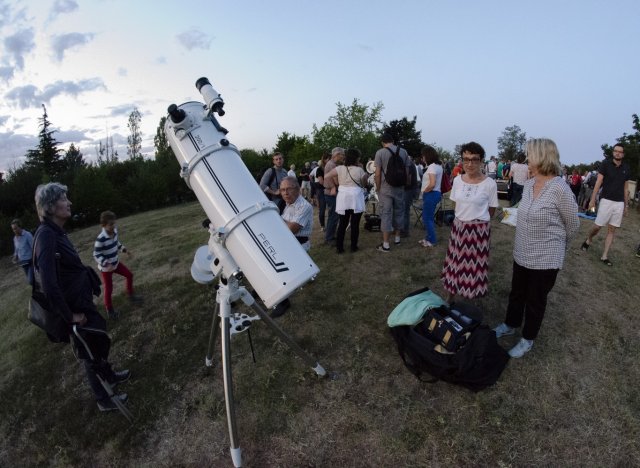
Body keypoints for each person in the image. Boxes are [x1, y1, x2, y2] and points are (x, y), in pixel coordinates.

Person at [32, 182, 130, 411]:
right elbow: (47, 282)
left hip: (79, 300)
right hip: (72, 307)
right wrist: (70, 316)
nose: (69, 203)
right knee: (89, 349)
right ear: (51, 206)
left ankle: (110, 375)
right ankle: (104, 400)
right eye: (64, 199)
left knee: (96, 342)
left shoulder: (55, 231)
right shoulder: (46, 235)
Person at [493, 138, 579, 358]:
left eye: (530, 154)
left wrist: (559, 248)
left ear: (542, 157)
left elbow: (573, 224)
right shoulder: (530, 184)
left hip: (546, 258)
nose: (527, 158)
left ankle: (527, 338)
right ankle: (510, 324)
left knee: (535, 300)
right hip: (522, 252)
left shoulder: (560, 188)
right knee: (517, 293)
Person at [441, 142, 499, 304]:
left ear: (481, 161)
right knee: (455, 262)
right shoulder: (458, 180)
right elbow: (455, 203)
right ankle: (451, 294)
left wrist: (476, 222)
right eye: (466, 159)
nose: (470, 163)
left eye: (474, 159)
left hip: (478, 232)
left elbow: (492, 210)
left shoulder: (490, 184)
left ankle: (470, 299)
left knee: (472, 268)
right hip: (458, 228)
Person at [580, 144, 631, 266]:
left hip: (619, 203)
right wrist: (592, 199)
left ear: (623, 154)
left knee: (612, 229)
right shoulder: (606, 164)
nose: (617, 153)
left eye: (620, 152)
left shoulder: (626, 168)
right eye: (616, 151)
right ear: (613, 152)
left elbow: (626, 188)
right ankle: (589, 239)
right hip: (606, 201)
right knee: (597, 226)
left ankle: (605, 255)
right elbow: (598, 182)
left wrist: (626, 205)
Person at [271, 176, 313, 318]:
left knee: (278, 268)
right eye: (282, 190)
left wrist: (275, 218)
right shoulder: (286, 204)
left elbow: (291, 229)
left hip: (298, 244)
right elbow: (284, 226)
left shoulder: (304, 206)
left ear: (298, 189)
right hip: (287, 242)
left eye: (288, 189)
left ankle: (283, 301)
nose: (285, 193)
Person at [93, 211, 143, 319]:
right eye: (110, 224)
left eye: (114, 223)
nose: (113, 226)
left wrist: (124, 250)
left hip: (115, 263)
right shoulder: (100, 239)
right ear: (103, 225)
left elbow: (117, 243)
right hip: (106, 268)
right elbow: (96, 254)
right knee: (109, 288)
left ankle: (131, 295)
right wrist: (106, 263)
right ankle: (110, 310)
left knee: (129, 275)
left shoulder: (114, 232)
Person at [325, 148, 368, 253]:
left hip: (343, 197)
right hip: (355, 197)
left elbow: (326, 176)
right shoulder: (359, 170)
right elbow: (364, 184)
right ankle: (353, 247)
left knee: (342, 223)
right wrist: (365, 176)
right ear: (356, 158)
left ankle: (340, 248)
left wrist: (335, 184)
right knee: (355, 223)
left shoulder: (340, 168)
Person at [374, 132, 410, 252]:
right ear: (393, 141)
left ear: (382, 142)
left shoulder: (380, 153)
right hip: (399, 187)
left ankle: (385, 244)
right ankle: (397, 238)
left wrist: (378, 188)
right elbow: (407, 172)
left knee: (386, 214)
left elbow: (377, 173)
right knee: (399, 212)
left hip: (385, 189)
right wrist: (405, 185)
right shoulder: (404, 152)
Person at [419, 145, 443, 248]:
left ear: (427, 155)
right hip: (436, 193)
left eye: (423, 155)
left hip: (431, 193)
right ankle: (428, 238)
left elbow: (432, 184)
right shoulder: (438, 166)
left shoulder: (432, 167)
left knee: (427, 218)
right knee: (428, 217)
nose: (422, 158)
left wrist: (425, 191)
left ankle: (432, 240)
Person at [323, 147, 345, 243]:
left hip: (330, 193)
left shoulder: (331, 164)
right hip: (331, 194)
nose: (343, 157)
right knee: (333, 216)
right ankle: (329, 238)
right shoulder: (332, 165)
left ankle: (330, 236)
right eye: (342, 155)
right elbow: (336, 181)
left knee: (333, 216)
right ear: (337, 155)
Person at [11, 218, 34, 284]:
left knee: (31, 281)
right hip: (23, 263)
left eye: (15, 228)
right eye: (13, 229)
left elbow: (33, 247)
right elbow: (16, 250)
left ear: (20, 226)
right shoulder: (15, 238)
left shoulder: (27, 235)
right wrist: (15, 256)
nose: (14, 230)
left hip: (30, 262)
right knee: (32, 282)